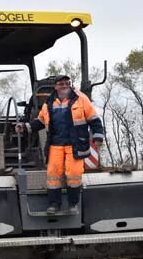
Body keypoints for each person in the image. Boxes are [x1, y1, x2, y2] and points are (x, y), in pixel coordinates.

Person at [16, 74, 104, 214]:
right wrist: (26, 127)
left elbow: (94, 119)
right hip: (55, 145)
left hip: (75, 145)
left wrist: (98, 136)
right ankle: (54, 204)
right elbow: (40, 121)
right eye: (61, 84)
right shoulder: (49, 103)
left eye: (66, 83)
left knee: (74, 174)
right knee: (53, 175)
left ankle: (73, 204)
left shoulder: (81, 99)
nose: (64, 86)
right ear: (55, 86)